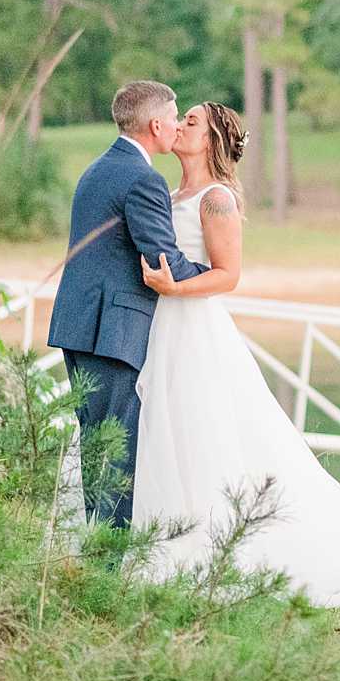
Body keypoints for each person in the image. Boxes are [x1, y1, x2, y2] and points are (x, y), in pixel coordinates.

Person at [130, 100, 340, 606]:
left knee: (202, 428)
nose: (180, 126)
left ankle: (214, 541)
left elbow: (229, 275)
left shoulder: (216, 199)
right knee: (162, 424)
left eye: (192, 122)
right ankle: (164, 532)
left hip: (193, 326)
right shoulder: (170, 191)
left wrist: (174, 290)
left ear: (213, 141)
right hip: (160, 327)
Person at [47, 80, 209, 528]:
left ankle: (98, 549)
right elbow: (163, 260)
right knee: (117, 450)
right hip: (112, 331)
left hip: (80, 326)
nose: (178, 126)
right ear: (156, 125)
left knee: (97, 445)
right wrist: (212, 276)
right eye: (175, 118)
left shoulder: (96, 168)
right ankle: (109, 563)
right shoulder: (143, 179)